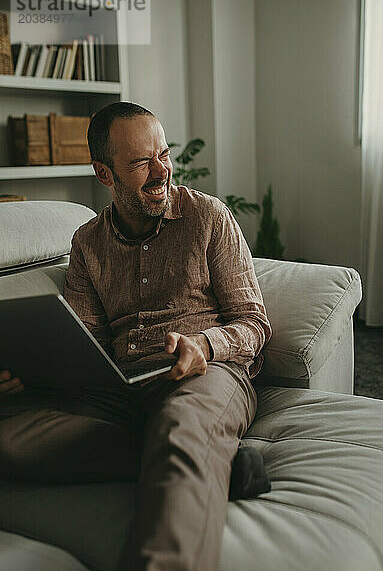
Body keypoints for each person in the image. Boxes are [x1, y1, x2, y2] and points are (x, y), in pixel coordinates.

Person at [0, 102, 272, 571]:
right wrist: (29, 372)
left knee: (180, 427)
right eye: (141, 163)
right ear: (104, 174)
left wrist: (204, 344)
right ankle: (213, 464)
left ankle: (185, 458)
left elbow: (254, 322)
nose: (160, 170)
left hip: (203, 373)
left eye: (163, 154)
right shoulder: (87, 243)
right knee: (9, 438)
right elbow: (81, 339)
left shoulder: (209, 217)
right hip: (122, 388)